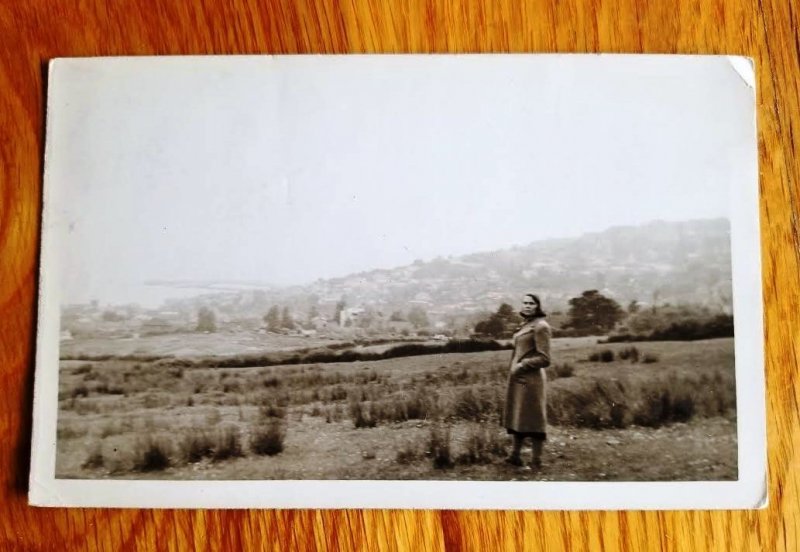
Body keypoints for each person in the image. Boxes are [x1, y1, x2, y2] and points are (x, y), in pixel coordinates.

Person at [503, 293, 552, 469]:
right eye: (524, 303)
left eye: (531, 303)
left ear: (538, 306)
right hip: (517, 379)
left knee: (534, 417)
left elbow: (545, 358)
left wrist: (522, 365)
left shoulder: (541, 326)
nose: (527, 306)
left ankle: (536, 460)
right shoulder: (526, 325)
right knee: (518, 414)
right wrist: (512, 369)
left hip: (531, 380)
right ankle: (515, 456)